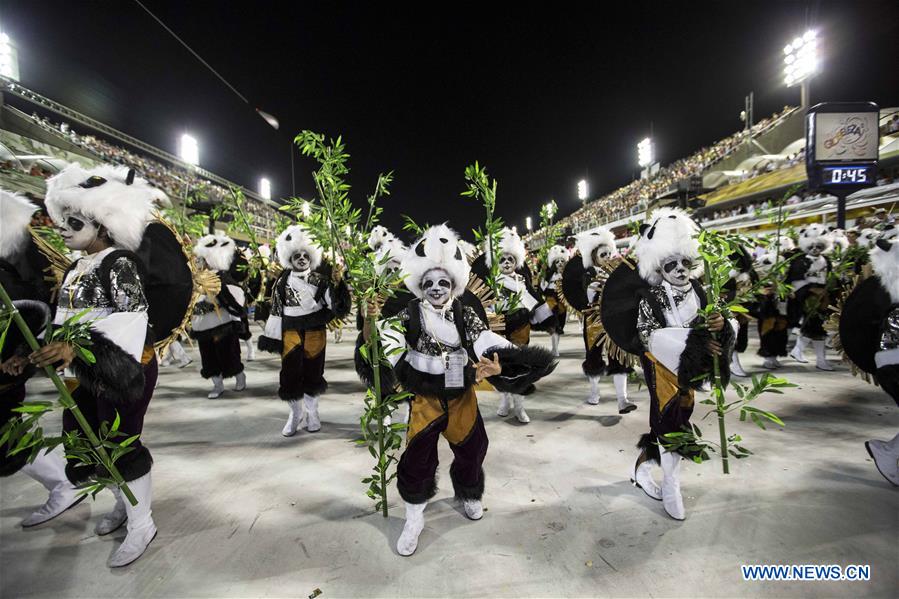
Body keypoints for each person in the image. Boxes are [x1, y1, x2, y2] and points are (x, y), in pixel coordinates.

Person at [357, 224, 556, 555]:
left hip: (458, 383)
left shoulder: (465, 313)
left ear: (454, 284)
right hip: (424, 392)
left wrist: (505, 359)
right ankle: (414, 516)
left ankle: (468, 492)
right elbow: (381, 342)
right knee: (418, 456)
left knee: (474, 445)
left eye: (443, 283)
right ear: (420, 286)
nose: (436, 289)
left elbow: (484, 338)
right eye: (430, 283)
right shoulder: (408, 313)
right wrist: (369, 321)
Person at [38, 164, 165, 567]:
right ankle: (121, 502)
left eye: (72, 221)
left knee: (120, 442)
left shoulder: (120, 263)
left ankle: (142, 522)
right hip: (84, 374)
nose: (62, 229)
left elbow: (133, 320)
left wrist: (77, 348)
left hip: (123, 369)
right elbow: (64, 322)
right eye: (62, 220)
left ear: (103, 225)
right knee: (89, 442)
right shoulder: (76, 268)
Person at [627, 208, 736, 520]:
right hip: (660, 367)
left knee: (680, 413)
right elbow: (647, 336)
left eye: (684, 262)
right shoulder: (650, 297)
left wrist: (721, 326)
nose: (679, 269)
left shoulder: (703, 290)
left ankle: (645, 466)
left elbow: (723, 321)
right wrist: (695, 344)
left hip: (690, 368)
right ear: (659, 267)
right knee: (669, 419)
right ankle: (671, 483)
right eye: (671, 264)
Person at [0, 190, 82, 528]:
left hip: (5, 364)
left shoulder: (16, 250)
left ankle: (61, 482)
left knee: (4, 434)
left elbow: (34, 306)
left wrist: (20, 354)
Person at [258, 225, 350, 435]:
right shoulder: (281, 282)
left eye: (305, 255)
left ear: (311, 257)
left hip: (315, 332)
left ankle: (313, 412)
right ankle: (295, 413)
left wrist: (338, 285)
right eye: (297, 255)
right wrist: (272, 336)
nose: (301, 258)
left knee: (313, 372)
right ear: (289, 259)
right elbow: (276, 310)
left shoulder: (321, 282)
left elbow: (335, 308)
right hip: (290, 331)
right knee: (289, 374)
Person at [474, 227, 556, 424]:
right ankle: (504, 400)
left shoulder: (522, 281)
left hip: (521, 327)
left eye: (511, 259)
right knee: (501, 366)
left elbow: (534, 301)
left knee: (520, 366)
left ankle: (519, 406)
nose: (507, 263)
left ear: (517, 262)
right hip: (499, 328)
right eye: (502, 259)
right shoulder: (491, 282)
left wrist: (547, 320)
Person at [572, 228, 635, 413]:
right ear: (594, 257)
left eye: (609, 253)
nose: (607, 257)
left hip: (615, 319)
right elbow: (589, 295)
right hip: (594, 321)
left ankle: (622, 399)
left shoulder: (618, 272)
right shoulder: (589, 274)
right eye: (603, 255)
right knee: (593, 357)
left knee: (619, 356)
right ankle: (594, 391)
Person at [191, 234, 248, 398]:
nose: (200, 262)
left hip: (221, 323)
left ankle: (239, 375)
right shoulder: (197, 278)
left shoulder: (221, 277)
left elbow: (236, 296)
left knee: (228, 354)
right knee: (208, 358)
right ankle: (217, 385)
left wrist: (220, 297)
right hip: (202, 325)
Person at [787, 224, 834, 370]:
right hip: (807, 297)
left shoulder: (826, 260)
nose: (815, 249)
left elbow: (829, 278)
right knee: (816, 327)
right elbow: (794, 281)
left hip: (823, 297)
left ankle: (799, 351)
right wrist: (812, 290)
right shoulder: (800, 260)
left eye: (819, 246)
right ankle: (820, 359)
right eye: (812, 246)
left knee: (815, 327)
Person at [539, 245, 569, 357]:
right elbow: (542, 289)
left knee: (560, 325)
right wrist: (543, 276)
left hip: (562, 302)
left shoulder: (567, 275)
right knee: (554, 325)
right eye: (557, 262)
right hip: (551, 301)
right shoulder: (549, 275)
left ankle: (555, 347)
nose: (560, 263)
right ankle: (555, 348)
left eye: (562, 261)